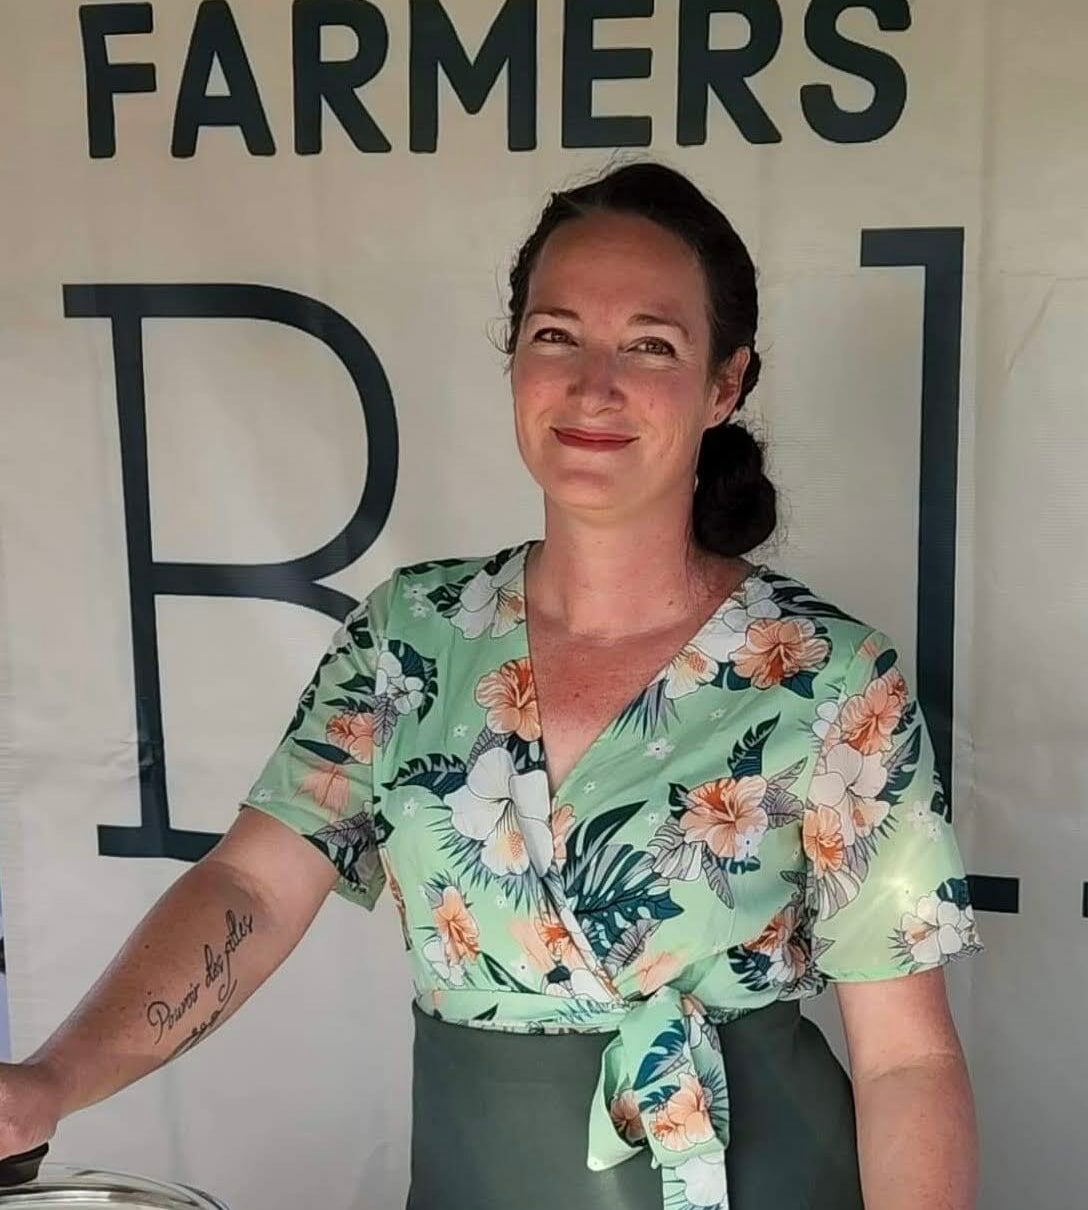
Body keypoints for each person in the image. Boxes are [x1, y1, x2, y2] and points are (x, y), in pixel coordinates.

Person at [0, 161, 983, 1209]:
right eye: (556, 334)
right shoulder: (410, 639)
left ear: (724, 384)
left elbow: (904, 1061)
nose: (593, 383)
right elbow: (251, 887)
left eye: (650, 344)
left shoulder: (829, 676)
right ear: (514, 357)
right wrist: (50, 1080)